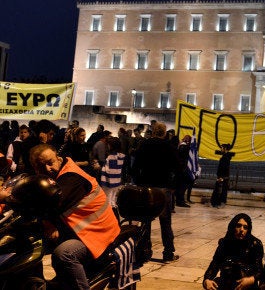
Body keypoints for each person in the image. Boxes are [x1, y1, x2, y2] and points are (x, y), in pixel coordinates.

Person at [27, 144, 120, 289]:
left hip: (98, 234)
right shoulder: (53, 177)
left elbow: (51, 205)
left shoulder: (71, 177)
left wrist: (46, 222)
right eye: (40, 166)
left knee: (64, 254)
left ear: (58, 158)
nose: (47, 169)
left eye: (50, 163)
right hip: (80, 232)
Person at [131, 121, 179, 262]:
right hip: (163, 188)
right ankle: (168, 253)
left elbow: (135, 167)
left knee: (146, 221)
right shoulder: (169, 146)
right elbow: (177, 167)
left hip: (146, 188)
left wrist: (139, 182)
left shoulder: (144, 145)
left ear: (152, 131)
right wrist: (172, 185)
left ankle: (146, 251)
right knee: (165, 223)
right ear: (164, 133)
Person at [203, 213, 264, 290]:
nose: (242, 230)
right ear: (233, 227)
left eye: (245, 227)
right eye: (238, 226)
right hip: (226, 283)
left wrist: (251, 279)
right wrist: (207, 280)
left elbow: (260, 270)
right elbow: (214, 265)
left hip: (246, 285)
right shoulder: (224, 243)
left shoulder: (255, 244)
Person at [100, 136, 126, 209]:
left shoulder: (111, 157)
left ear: (111, 146)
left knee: (107, 200)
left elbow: (109, 170)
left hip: (108, 182)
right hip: (117, 181)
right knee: (113, 199)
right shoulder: (121, 156)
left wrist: (101, 167)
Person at [211, 144, 235, 208]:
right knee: (219, 190)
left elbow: (224, 168)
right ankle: (216, 203)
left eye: (222, 148)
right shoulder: (225, 156)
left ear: (225, 149)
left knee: (222, 190)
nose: (221, 149)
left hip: (223, 176)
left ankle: (221, 203)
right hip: (221, 176)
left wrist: (221, 177)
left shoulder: (226, 157)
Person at [175, 135, 195, 207]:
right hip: (182, 170)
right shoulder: (183, 147)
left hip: (181, 169)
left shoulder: (181, 146)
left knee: (181, 187)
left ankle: (180, 201)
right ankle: (180, 201)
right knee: (182, 187)